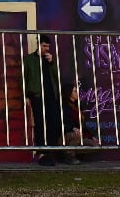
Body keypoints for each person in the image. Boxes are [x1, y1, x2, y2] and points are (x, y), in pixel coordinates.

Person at [22, 36, 73, 165]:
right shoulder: (29, 60)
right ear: (38, 45)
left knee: (53, 123)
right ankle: (41, 153)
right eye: (44, 46)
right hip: (37, 96)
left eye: (48, 46)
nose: (46, 49)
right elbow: (23, 79)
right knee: (39, 124)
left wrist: (52, 63)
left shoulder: (49, 60)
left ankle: (51, 151)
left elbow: (57, 77)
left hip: (51, 97)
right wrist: (26, 95)